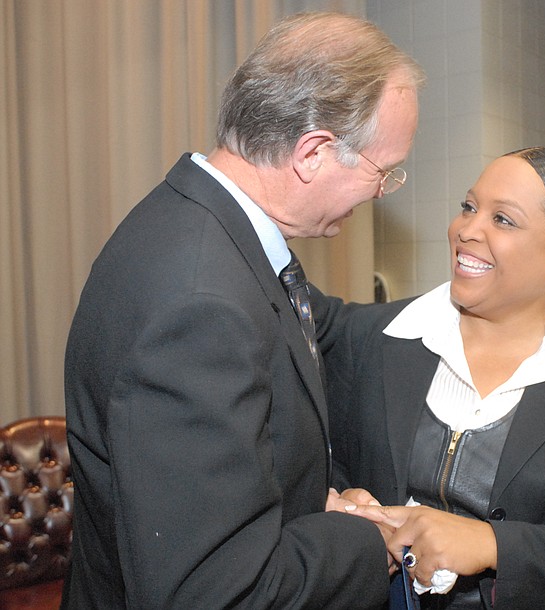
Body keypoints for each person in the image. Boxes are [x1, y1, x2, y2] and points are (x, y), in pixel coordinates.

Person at [62, 11, 424, 609]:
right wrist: (362, 540)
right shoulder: (202, 305)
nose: (381, 192)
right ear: (314, 153)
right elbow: (217, 591)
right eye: (383, 172)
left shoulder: (197, 220)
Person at [318, 147, 545, 608]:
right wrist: (342, 500)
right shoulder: (371, 337)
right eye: (469, 207)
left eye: (503, 220)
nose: (467, 230)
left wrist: (492, 545)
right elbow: (320, 460)